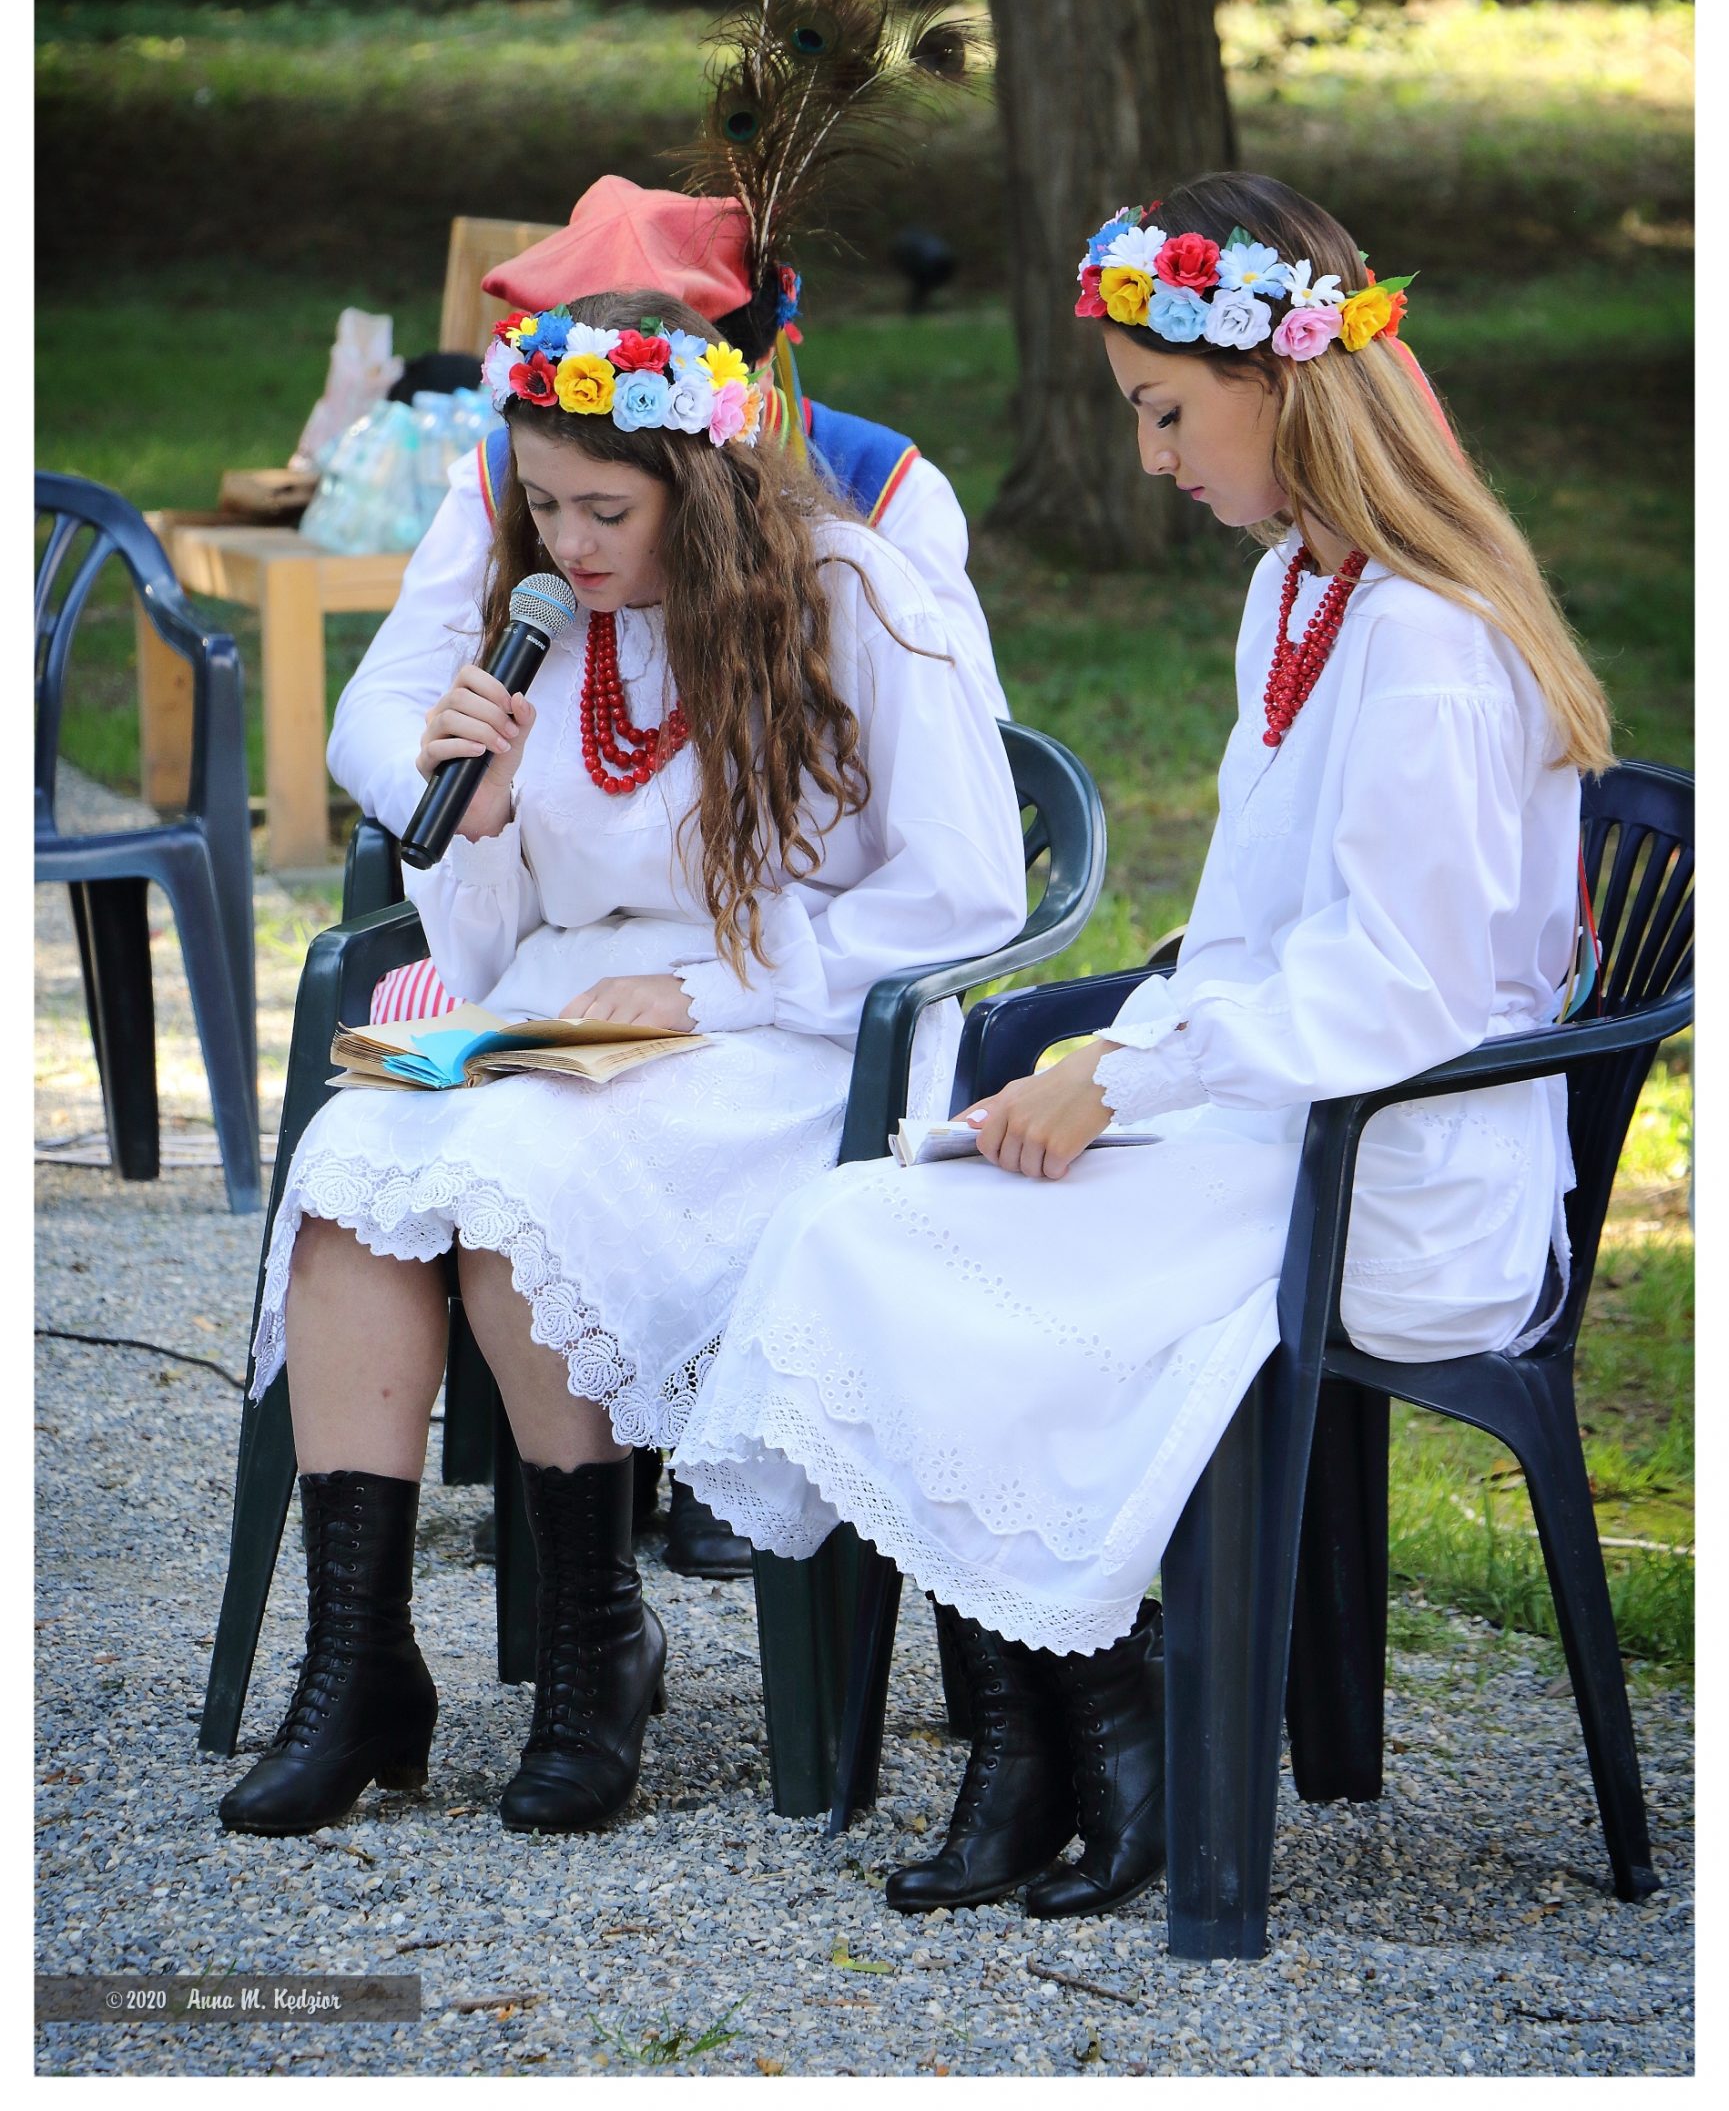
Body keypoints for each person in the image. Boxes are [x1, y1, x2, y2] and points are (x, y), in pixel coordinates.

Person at [676, 170, 1613, 1923]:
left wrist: (1123, 1075)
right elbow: (1253, 941)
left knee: (944, 1255)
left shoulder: (1421, 638)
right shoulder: (1295, 594)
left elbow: (1398, 991)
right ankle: (1039, 1737)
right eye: (1134, 413)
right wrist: (1120, 1055)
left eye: (1167, 410)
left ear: (1283, 384)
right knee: (873, 1218)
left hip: (1392, 1173)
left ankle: (1111, 1732)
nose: (1148, 455)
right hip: (1283, 1121)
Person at [218, 287, 1028, 1839]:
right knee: (351, 1161)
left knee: (521, 1178)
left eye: (607, 508)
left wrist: (713, 989)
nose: (570, 543)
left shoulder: (851, 592)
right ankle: (357, 1665)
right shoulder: (542, 630)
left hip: (790, 1029)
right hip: (568, 1006)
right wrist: (483, 815)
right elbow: (490, 939)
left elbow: (968, 891)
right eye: (541, 505)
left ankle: (596, 1651)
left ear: (702, 485)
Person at [328, 178, 1007, 847]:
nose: (570, 537)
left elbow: (970, 750)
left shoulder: (881, 487)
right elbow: (380, 705)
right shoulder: (507, 478)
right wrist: (460, 811)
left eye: (609, 508)